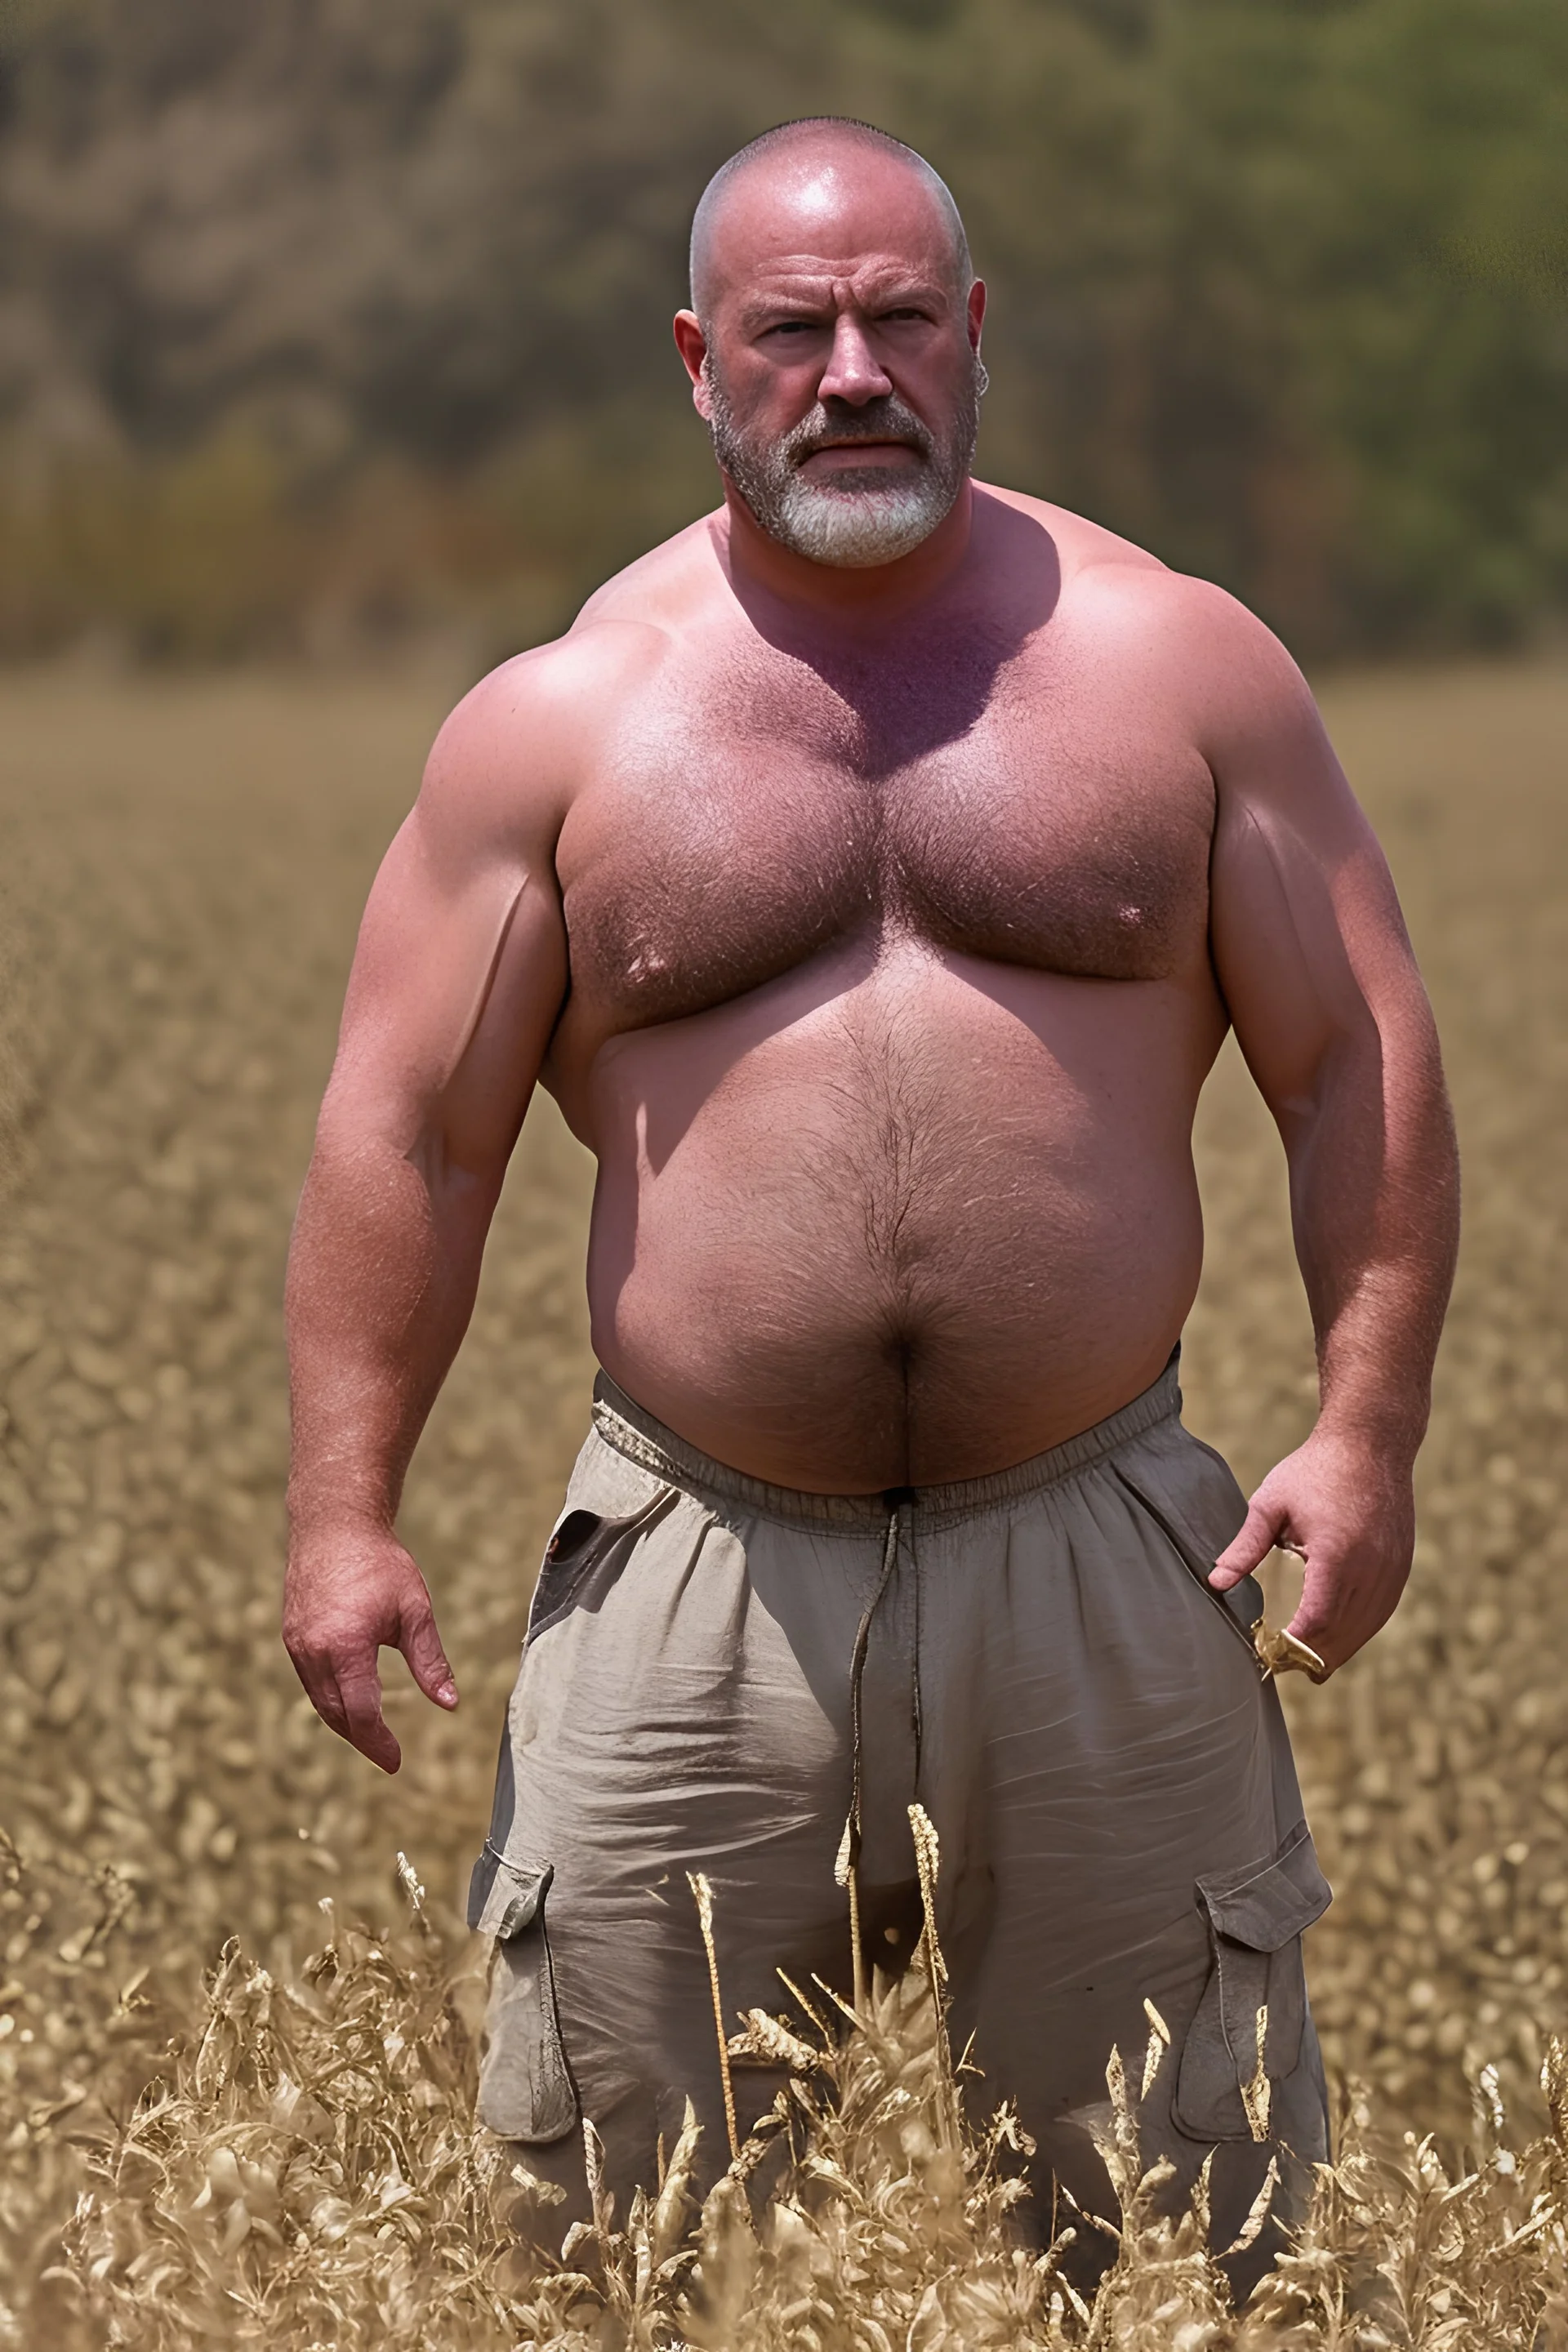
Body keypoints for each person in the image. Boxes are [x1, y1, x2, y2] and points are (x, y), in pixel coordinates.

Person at [282, 116, 1459, 2281]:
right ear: (696, 358)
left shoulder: (1176, 666)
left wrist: (1363, 1432)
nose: (852, 371)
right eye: (792, 328)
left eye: (901, 318)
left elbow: (1353, 1061)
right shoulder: (563, 721)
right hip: (695, 1563)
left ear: (975, 333)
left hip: (1104, 1542)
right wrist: (345, 1512)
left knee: (1189, 2257)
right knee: (621, 2261)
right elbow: (413, 1136)